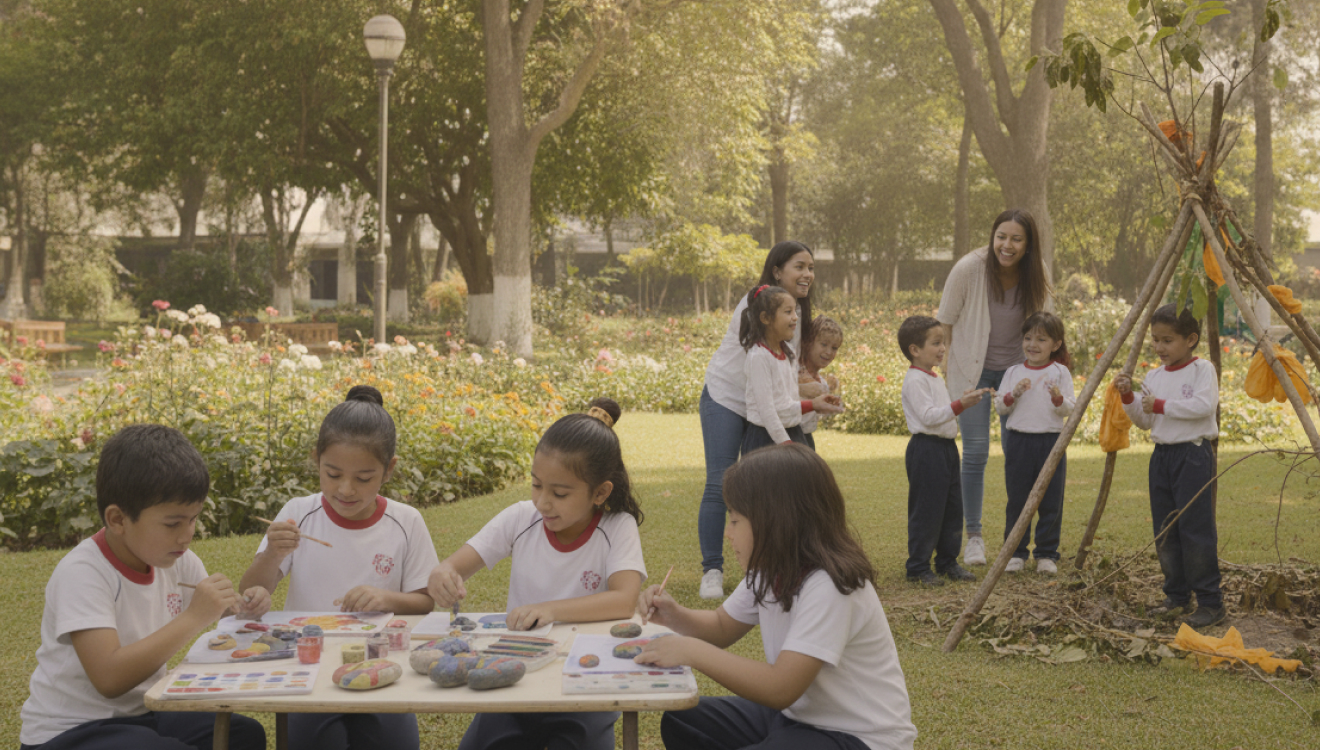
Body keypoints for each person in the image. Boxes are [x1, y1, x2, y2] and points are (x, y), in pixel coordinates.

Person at [635, 444, 917, 750]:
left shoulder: (830, 585)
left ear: (775, 522)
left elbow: (781, 687)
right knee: (684, 719)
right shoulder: (770, 569)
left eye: (735, 520)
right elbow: (720, 626)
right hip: (798, 720)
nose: (728, 534)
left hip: (858, 737)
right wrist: (674, 614)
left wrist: (689, 650)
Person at [20, 424, 268, 750]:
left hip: (143, 714)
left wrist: (242, 611)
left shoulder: (178, 559)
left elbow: (221, 631)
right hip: (71, 731)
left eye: (193, 519)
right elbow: (109, 678)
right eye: (172, 523)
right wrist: (195, 616)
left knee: (244, 734)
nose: (186, 535)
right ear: (118, 520)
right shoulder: (84, 572)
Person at [427, 397, 646, 750]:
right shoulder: (520, 518)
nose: (543, 502)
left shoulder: (617, 527)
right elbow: (454, 565)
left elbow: (624, 600)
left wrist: (550, 609)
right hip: (515, 673)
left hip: (585, 680)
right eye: (536, 485)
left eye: (559, 493)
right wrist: (444, 573)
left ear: (600, 492)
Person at [240, 385, 439, 750]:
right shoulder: (299, 514)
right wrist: (271, 553)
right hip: (309, 665)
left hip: (381, 663)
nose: (346, 489)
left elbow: (425, 600)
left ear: (388, 470)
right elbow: (253, 592)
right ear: (316, 460)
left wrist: (384, 596)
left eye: (363, 478)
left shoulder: (406, 522)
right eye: (333, 474)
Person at [698, 241, 817, 599]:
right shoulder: (759, 305)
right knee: (722, 481)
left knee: (767, 488)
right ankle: (712, 571)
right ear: (777, 271)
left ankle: (775, 565)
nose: (808, 274)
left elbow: (787, 372)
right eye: (799, 266)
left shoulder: (792, 311)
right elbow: (762, 371)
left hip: (760, 405)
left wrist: (817, 389)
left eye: (811, 267)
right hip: (727, 397)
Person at [937, 209, 1051, 565]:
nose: (1007, 245)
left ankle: (1016, 542)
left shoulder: (1037, 274)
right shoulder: (969, 269)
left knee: (1018, 457)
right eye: (1001, 236)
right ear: (993, 236)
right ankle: (973, 538)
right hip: (971, 373)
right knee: (974, 452)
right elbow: (945, 322)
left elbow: (1048, 325)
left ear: (1028, 244)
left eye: (1017, 239)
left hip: (1016, 377)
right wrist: (945, 370)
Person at [1115, 304, 1224, 628]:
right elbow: (1146, 421)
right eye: (1156, 340)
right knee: (1166, 528)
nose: (1160, 348)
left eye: (1168, 340)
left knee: (1195, 528)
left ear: (1190, 339)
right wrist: (1128, 398)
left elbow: (1205, 407)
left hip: (1192, 455)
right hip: (1162, 457)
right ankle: (1176, 595)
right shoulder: (1154, 376)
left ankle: (1210, 601)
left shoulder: (1202, 370)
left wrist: (1161, 404)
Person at [898, 316, 987, 586]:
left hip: (946, 449)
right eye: (936, 343)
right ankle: (917, 566)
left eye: (943, 342)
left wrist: (960, 402)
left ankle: (947, 561)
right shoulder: (915, 380)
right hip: (926, 450)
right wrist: (960, 404)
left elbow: (942, 413)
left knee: (951, 507)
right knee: (927, 509)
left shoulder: (934, 377)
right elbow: (928, 417)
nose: (942, 348)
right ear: (915, 349)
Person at [994, 312, 1075, 574]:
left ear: (1056, 344)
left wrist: (1058, 399)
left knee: (1051, 498)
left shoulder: (1060, 372)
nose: (1033, 344)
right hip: (1018, 441)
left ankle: (1046, 553)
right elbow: (1000, 407)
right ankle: (1016, 552)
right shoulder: (1013, 372)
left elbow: (1070, 408)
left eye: (1041, 339)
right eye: (1028, 338)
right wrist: (1012, 395)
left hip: (1051, 442)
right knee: (1018, 498)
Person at [741, 285, 843, 453]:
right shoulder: (759, 357)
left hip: (793, 432)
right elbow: (767, 412)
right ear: (766, 318)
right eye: (788, 312)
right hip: (766, 440)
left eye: (795, 312)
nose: (795, 318)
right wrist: (786, 445)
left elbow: (786, 404)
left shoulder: (788, 353)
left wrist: (814, 404)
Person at [798, 316, 843, 451]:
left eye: (834, 348)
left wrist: (830, 404)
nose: (829, 352)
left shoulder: (821, 382)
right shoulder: (795, 371)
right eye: (823, 344)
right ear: (808, 342)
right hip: (789, 436)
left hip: (806, 437)